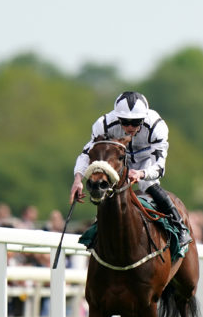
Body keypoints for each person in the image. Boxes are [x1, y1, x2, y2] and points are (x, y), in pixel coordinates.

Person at [69, 91, 192, 247]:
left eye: (135, 122)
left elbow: (159, 166)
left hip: (146, 160)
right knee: (105, 185)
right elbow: (87, 153)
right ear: (117, 117)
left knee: (147, 185)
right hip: (119, 160)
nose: (129, 127)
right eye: (125, 122)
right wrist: (78, 179)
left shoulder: (156, 126)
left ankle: (179, 225)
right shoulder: (104, 124)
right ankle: (98, 229)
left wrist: (142, 173)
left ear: (144, 118)